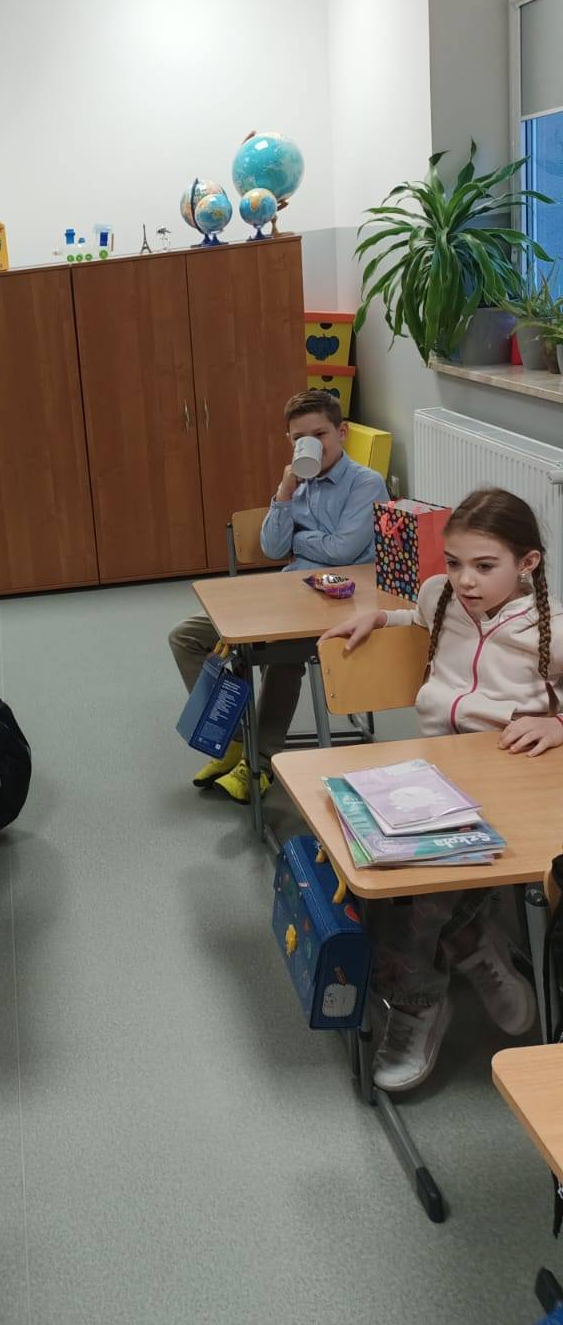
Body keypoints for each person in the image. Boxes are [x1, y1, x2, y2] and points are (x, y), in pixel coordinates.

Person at [325, 487, 562, 1091]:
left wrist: (558, 723)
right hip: (437, 777)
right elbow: (416, 615)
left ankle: (418, 1001)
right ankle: (472, 945)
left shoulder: (552, 628)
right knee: (375, 869)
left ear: (528, 562)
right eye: (454, 562)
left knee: (415, 895)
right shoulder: (440, 596)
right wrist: (380, 616)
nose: (465, 580)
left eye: (484, 565)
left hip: (516, 786)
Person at [169, 389, 389, 802]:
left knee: (281, 653)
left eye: (320, 435)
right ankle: (236, 741)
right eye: (299, 438)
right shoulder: (298, 484)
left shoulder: (366, 483)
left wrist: (299, 541)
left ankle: (261, 761)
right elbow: (272, 548)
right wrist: (286, 490)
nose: (311, 444)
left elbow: (341, 551)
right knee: (187, 636)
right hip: (289, 593)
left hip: (344, 603)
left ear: (341, 433)